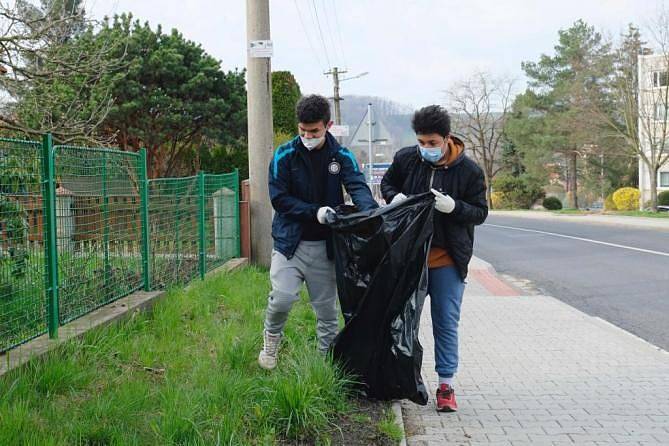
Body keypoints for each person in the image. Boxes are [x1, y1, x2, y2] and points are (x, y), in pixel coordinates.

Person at [258, 94, 378, 370]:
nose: (308, 136)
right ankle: (270, 340)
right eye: (303, 131)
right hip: (290, 244)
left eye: (314, 131)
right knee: (283, 298)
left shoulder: (342, 156)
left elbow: (357, 187)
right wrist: (316, 212)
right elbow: (280, 198)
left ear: (328, 125)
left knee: (326, 312)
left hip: (326, 248)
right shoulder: (284, 155)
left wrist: (369, 214)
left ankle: (325, 367)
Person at [380, 105, 488, 412]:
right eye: (421, 142)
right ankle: (401, 379)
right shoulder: (406, 159)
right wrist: (394, 197)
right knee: (403, 321)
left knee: (445, 323)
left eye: (432, 143)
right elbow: (388, 184)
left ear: (446, 138)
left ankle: (446, 385)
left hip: (447, 261)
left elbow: (480, 212)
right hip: (410, 258)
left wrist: (455, 208)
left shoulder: (468, 171)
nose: (426, 148)